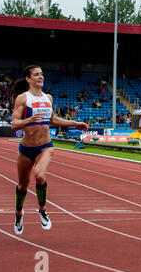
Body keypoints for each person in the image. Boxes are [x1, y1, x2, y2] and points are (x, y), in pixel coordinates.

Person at [11, 65, 89, 235]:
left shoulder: (49, 98)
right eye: (36, 74)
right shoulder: (23, 99)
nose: (41, 77)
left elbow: (52, 119)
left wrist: (76, 123)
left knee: (39, 176)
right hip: (26, 148)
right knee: (23, 185)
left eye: (42, 74)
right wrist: (28, 120)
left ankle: (42, 210)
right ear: (28, 78)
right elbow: (14, 124)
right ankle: (18, 214)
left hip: (45, 146)